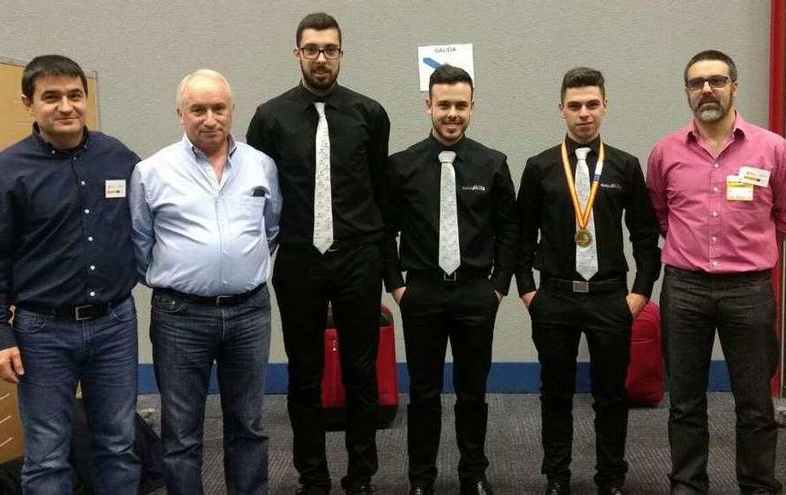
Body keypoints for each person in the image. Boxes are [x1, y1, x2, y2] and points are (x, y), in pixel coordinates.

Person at [0, 54, 141, 493]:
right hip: (42, 332)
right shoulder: (8, 171)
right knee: (47, 456)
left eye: (75, 95)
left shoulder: (118, 157)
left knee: (119, 445)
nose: (65, 106)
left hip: (114, 325)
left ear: (86, 98)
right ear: (28, 103)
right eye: (51, 97)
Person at [646, 50, 786, 495]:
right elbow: (661, 213)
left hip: (749, 291)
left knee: (755, 403)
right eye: (697, 83)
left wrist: (746, 251)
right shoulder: (665, 152)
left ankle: (756, 485)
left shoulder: (773, 148)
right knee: (685, 402)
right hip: (685, 288)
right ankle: (688, 485)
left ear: (734, 86)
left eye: (717, 80)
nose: (707, 90)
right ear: (687, 93)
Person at [245, 12, 390, 495]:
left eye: (330, 49)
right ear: (297, 54)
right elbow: (258, 191)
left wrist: (381, 259)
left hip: (357, 256)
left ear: (341, 54)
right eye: (312, 49)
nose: (321, 58)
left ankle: (361, 475)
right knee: (304, 372)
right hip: (300, 257)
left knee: (360, 370)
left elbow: (378, 191)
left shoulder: (370, 113)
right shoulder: (269, 116)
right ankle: (312, 476)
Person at [129, 69, 281, 495]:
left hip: (249, 311)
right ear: (181, 114)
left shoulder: (261, 167)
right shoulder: (151, 172)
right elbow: (140, 242)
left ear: (232, 111)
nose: (209, 118)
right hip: (180, 316)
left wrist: (236, 269)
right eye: (198, 109)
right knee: (181, 434)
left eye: (219, 108)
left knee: (248, 425)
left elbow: (271, 230)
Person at [515, 67, 661, 495]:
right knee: (555, 393)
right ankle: (557, 476)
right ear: (561, 109)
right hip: (555, 298)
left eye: (592, 105)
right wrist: (528, 290)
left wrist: (639, 294)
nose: (584, 114)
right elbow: (522, 235)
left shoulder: (626, 167)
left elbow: (646, 237)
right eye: (575, 106)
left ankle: (611, 477)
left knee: (611, 395)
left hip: (610, 299)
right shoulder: (539, 167)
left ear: (605, 107)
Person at [383, 64, 517, 495]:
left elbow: (510, 230)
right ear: (428, 106)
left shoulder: (493, 163)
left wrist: (497, 286)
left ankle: (473, 474)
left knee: (472, 392)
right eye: (444, 105)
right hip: (421, 292)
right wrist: (396, 285)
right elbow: (384, 231)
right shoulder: (401, 166)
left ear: (472, 107)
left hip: (476, 292)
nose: (452, 114)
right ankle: (421, 478)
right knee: (423, 393)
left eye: (461, 105)